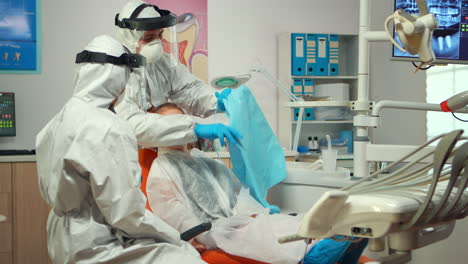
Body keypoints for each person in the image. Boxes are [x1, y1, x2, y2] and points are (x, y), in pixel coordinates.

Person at [35, 35, 207, 263]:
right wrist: (175, 237)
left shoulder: (55, 122)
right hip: (97, 244)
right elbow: (127, 214)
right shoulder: (109, 127)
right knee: (187, 258)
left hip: (61, 238)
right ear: (116, 78)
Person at [144, 103, 315, 264]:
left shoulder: (202, 159)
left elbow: (237, 193)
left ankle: (321, 239)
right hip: (210, 232)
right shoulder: (162, 167)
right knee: (260, 234)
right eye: (170, 125)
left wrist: (254, 211)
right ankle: (313, 253)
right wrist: (192, 238)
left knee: (278, 222)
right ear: (159, 132)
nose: (178, 130)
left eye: (181, 124)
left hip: (236, 220)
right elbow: (172, 211)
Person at [113, 0, 238, 148]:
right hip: (126, 153)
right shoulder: (114, 70)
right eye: (148, 38)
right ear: (129, 37)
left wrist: (216, 101)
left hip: (159, 149)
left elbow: (189, 90)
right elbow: (131, 124)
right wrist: (192, 129)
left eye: (160, 35)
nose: (157, 43)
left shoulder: (162, 62)